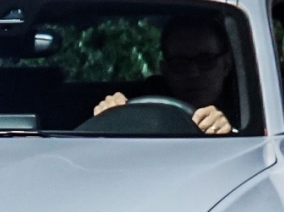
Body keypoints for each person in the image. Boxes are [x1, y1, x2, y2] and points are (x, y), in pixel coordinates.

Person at [92, 19, 236, 134]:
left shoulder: (251, 112)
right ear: (165, 70)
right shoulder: (141, 109)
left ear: (226, 65)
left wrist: (228, 132)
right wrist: (109, 118)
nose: (193, 73)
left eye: (206, 61)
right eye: (180, 63)